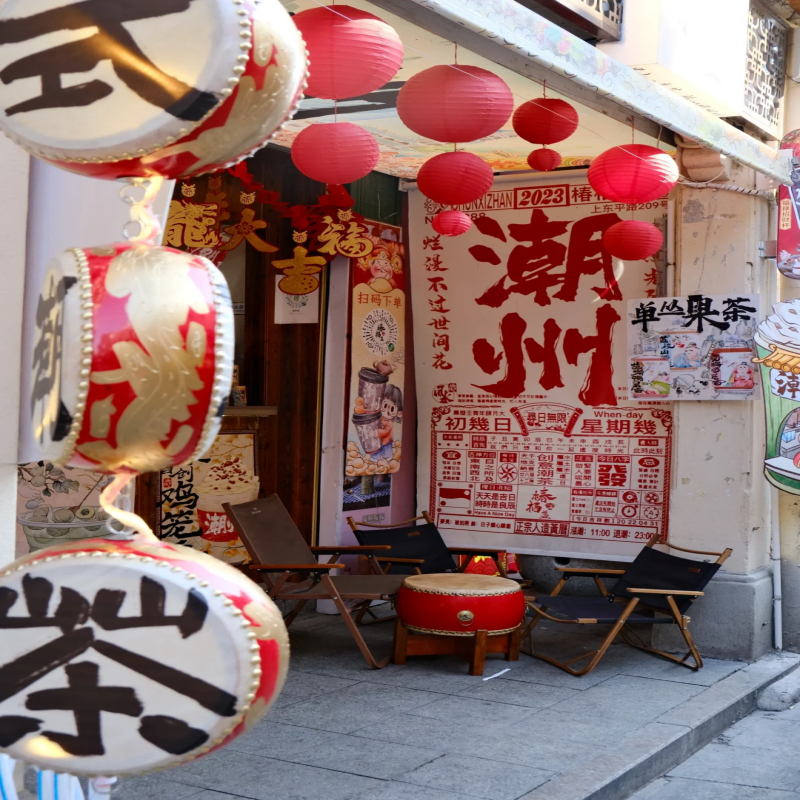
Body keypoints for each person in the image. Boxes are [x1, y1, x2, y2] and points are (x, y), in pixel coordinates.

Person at [375, 384, 403, 461]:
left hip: (386, 441)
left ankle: (387, 458)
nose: (387, 410)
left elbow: (385, 432)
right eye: (385, 404)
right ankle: (376, 459)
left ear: (399, 413)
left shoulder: (390, 423)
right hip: (377, 441)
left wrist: (376, 432)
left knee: (387, 454)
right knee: (376, 453)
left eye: (392, 408)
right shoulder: (378, 418)